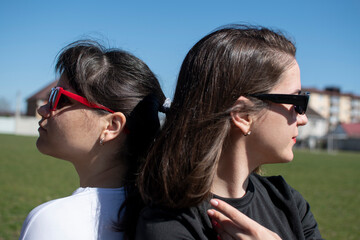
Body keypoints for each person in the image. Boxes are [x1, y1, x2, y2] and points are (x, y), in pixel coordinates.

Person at [136, 25, 323, 240]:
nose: (303, 118)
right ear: (243, 115)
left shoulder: (288, 202)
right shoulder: (168, 225)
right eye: (298, 102)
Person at [19, 40, 166, 240]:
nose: (42, 110)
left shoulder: (53, 222)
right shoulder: (165, 219)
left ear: (111, 126)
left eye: (59, 98)